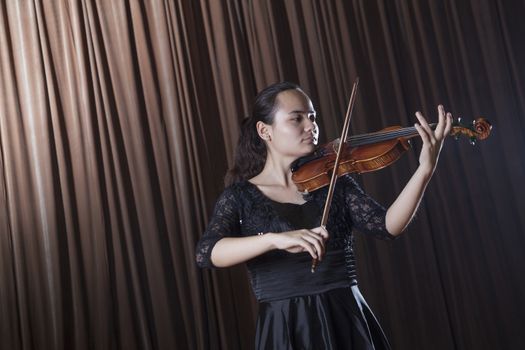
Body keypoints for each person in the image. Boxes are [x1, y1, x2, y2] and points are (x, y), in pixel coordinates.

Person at [195, 81, 452, 349]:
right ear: (264, 130)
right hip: (285, 325)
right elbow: (208, 252)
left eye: (312, 117)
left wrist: (424, 170)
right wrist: (275, 239)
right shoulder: (240, 196)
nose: (311, 126)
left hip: (346, 315)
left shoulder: (335, 182)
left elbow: (387, 226)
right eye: (297, 118)